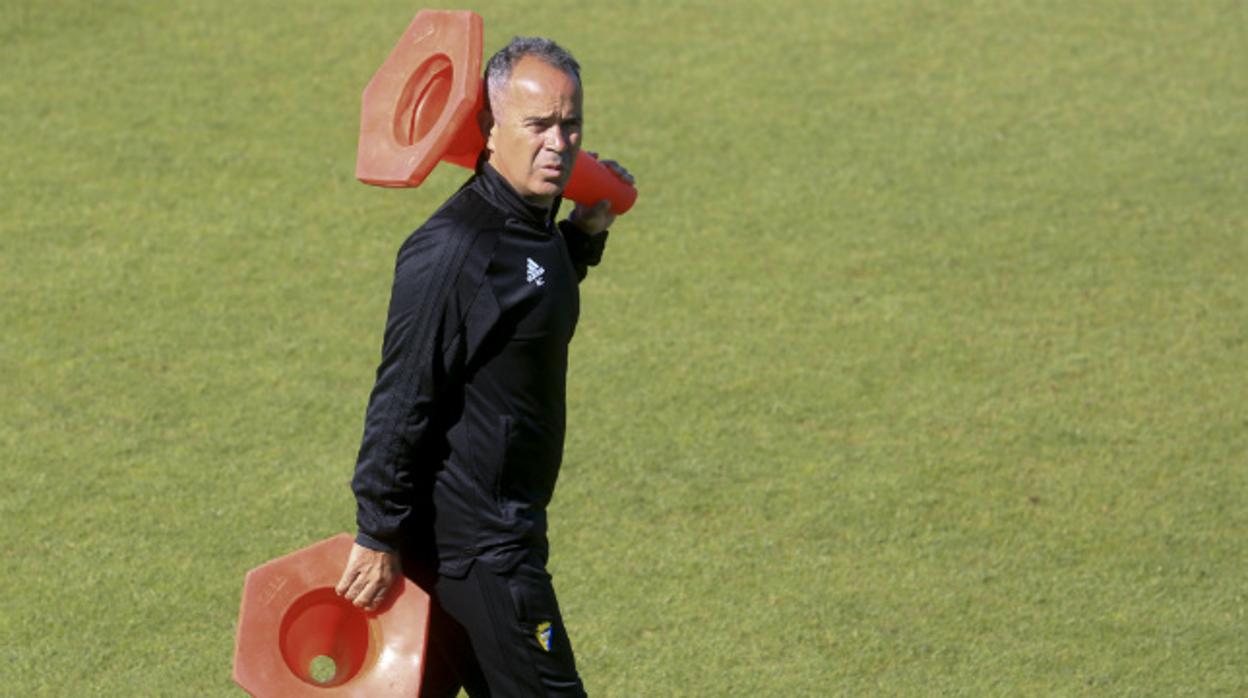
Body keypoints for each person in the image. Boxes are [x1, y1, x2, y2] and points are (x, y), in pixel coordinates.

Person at [335, 36, 633, 697]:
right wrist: (376, 530)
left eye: (571, 123)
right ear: (489, 130)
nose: (560, 142)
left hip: (490, 535)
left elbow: (526, 302)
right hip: (479, 551)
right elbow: (402, 395)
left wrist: (583, 237)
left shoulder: (534, 228)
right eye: (539, 125)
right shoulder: (453, 252)